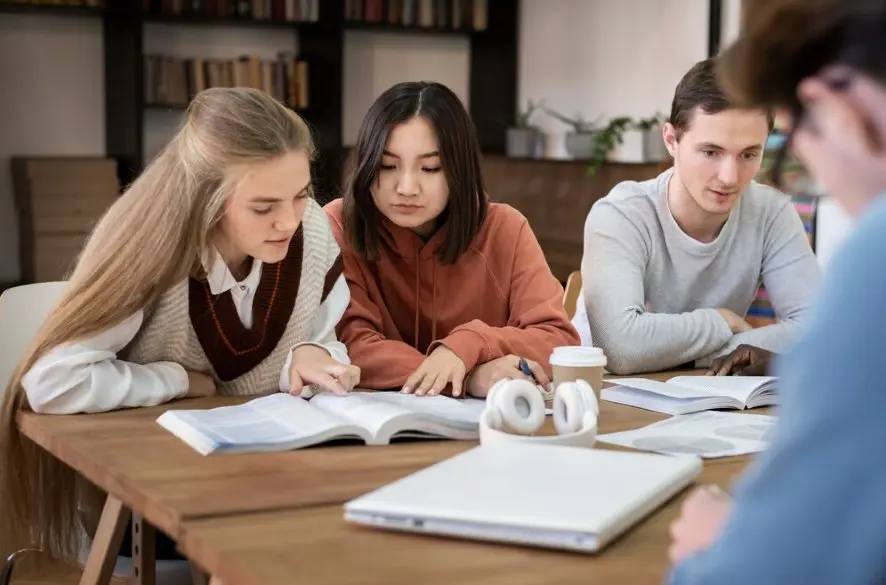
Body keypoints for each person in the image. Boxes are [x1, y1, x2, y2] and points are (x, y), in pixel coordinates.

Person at [0, 87, 359, 563]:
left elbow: (316, 338)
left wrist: (315, 357)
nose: (289, 221)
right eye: (263, 206)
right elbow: (52, 383)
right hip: (151, 500)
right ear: (206, 196)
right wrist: (177, 381)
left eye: (300, 195)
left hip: (267, 475)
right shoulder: (151, 247)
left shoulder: (312, 231)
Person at [668, 1, 886, 583]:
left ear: (836, 107)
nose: (730, 178)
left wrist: (712, 551)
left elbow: (763, 571)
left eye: (776, 149)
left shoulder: (877, 256)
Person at [324, 81, 580, 397]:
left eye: (430, 168)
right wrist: (467, 377)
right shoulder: (338, 225)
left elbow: (558, 339)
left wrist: (470, 343)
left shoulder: (504, 229)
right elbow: (350, 345)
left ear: (458, 168)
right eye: (388, 166)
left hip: (489, 431)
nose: (406, 187)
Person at [572, 57, 822, 375]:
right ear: (671, 141)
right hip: (604, 400)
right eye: (710, 152)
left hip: (707, 397)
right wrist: (722, 322)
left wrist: (687, 350)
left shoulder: (771, 213)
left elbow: (820, 331)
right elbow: (622, 349)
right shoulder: (621, 214)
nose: (730, 177)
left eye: (748, 154)